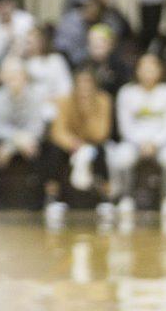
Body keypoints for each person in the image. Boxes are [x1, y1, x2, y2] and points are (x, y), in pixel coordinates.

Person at [110, 53, 166, 217]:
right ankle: (125, 197)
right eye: (144, 68)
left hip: (161, 143)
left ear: (160, 70)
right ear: (137, 71)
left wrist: (155, 143)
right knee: (121, 157)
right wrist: (141, 143)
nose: (148, 72)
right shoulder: (126, 92)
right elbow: (125, 126)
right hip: (134, 142)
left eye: (152, 67)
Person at [42, 68, 113, 225]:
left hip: (92, 145)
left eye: (88, 83)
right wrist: (73, 143)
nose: (84, 87)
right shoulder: (64, 101)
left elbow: (101, 133)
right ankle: (53, 198)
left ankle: (105, 199)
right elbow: (57, 131)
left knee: (100, 151)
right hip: (70, 145)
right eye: (81, 83)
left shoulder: (103, 100)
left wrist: (87, 111)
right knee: (54, 151)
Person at [0, 57, 45, 195]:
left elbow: (38, 127)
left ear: (25, 77)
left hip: (27, 141)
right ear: (4, 78)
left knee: (42, 148)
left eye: (17, 76)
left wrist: (12, 146)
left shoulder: (36, 96)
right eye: (10, 77)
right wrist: (17, 139)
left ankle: (38, 199)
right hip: (5, 139)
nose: (14, 81)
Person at [19, 24, 72, 122]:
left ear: (41, 41)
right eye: (27, 42)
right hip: (28, 107)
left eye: (30, 42)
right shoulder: (23, 63)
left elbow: (65, 89)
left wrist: (53, 100)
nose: (28, 46)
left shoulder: (56, 61)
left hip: (53, 105)